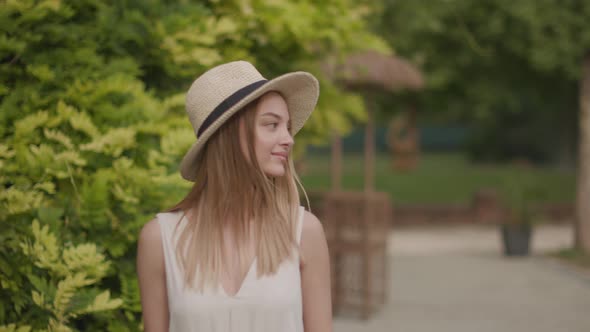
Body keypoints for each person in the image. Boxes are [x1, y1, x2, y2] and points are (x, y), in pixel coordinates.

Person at [136, 61, 332, 332]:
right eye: (272, 125)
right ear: (230, 133)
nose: (289, 138)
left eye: (286, 126)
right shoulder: (160, 239)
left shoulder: (303, 232)